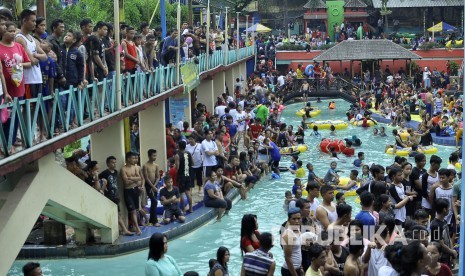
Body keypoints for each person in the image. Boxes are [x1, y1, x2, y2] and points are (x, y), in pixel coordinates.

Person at [99, 156, 134, 235]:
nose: (114, 164)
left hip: (115, 196)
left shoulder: (115, 172)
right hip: (108, 196)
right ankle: (124, 230)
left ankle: (122, 229)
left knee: (118, 214)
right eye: (112, 162)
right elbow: (98, 179)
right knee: (116, 214)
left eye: (115, 162)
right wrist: (104, 188)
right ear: (108, 164)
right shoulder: (105, 173)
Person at [430, 198, 457, 268]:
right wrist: (452, 252)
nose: (449, 209)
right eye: (448, 207)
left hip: (447, 256)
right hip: (441, 258)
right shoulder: (435, 225)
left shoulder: (444, 221)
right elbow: (440, 244)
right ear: (444, 209)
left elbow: (448, 238)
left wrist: (451, 252)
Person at [121, 151, 144, 235]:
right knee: (132, 211)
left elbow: (140, 178)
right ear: (128, 159)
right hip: (128, 191)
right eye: (133, 158)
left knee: (137, 210)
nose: (135, 160)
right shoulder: (123, 169)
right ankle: (137, 228)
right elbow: (126, 182)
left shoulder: (135, 167)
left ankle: (135, 225)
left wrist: (130, 178)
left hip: (135, 190)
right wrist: (135, 179)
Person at [281, 207, 303, 276]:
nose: (297, 221)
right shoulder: (288, 234)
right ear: (289, 220)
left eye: (299, 218)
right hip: (289, 271)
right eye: (294, 219)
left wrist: (301, 267)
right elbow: (287, 258)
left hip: (297, 268)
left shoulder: (298, 230)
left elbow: (298, 251)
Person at [142, 149, 161, 227]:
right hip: (148, 186)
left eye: (156, 155)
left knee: (154, 202)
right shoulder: (145, 165)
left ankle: (152, 219)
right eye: (153, 155)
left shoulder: (156, 165)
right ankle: (154, 221)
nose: (155, 157)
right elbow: (146, 178)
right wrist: (152, 187)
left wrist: (155, 185)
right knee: (154, 201)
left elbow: (158, 177)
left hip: (154, 185)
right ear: (149, 156)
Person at [175, 141, 194, 213]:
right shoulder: (188, 153)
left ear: (179, 146)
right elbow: (192, 163)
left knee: (181, 193)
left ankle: (183, 209)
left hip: (181, 175)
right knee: (188, 193)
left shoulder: (178, 155)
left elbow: (177, 167)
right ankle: (191, 208)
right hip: (188, 175)